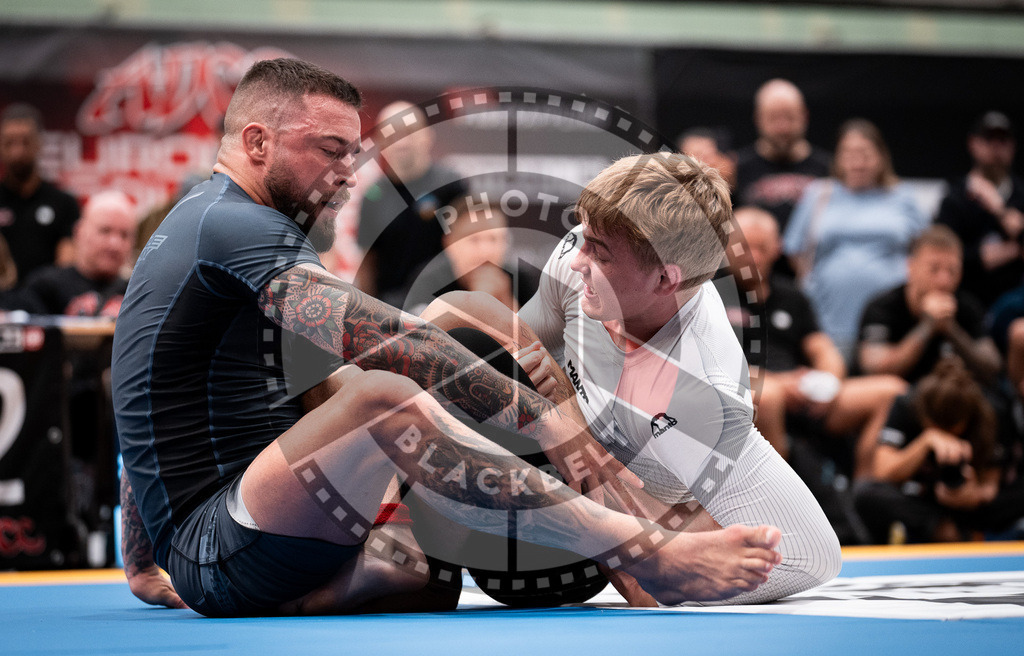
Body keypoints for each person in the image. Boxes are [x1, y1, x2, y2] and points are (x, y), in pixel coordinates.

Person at [112, 58, 783, 617]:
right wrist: (551, 422)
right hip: (225, 548)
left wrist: (141, 559)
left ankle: (357, 577)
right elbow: (384, 341)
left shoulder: (208, 221)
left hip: (248, 529)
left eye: (353, 153)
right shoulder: (238, 226)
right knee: (385, 394)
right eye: (330, 151)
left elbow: (145, 379)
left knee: (422, 561)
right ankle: (643, 549)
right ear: (257, 143)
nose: (349, 173)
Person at [421, 153, 842, 605]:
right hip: (544, 473)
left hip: (583, 537)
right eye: (583, 236)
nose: (577, 259)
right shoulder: (580, 253)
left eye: (598, 253)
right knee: (464, 348)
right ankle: (413, 552)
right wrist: (560, 406)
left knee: (536, 572)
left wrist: (664, 568)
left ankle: (425, 566)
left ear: (664, 280)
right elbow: (488, 331)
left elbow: (813, 557)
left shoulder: (702, 389)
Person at [730, 206, 905, 468]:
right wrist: (779, 383)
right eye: (745, 248)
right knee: (769, 396)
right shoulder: (712, 294)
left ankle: (867, 485)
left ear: (778, 248)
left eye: (762, 248)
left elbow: (822, 349)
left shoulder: (792, 296)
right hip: (744, 390)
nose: (754, 257)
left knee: (892, 392)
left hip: (800, 392)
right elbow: (709, 362)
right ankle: (779, 489)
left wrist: (828, 384)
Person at [783, 118, 928, 360]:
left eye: (865, 154)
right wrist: (822, 280)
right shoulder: (818, 194)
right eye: (849, 154)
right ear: (838, 158)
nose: (857, 162)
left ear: (881, 156)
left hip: (890, 323)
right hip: (828, 318)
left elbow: (924, 250)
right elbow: (794, 250)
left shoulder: (903, 196)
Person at [854, 358, 1003, 544]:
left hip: (969, 506)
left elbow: (992, 484)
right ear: (923, 414)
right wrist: (926, 441)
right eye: (936, 426)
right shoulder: (908, 404)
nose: (944, 433)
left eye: (951, 429)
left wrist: (974, 495)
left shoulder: (988, 414)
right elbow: (882, 472)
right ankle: (944, 531)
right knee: (865, 492)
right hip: (921, 505)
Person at [354, 101, 467, 308]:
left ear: (427, 136)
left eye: (409, 132)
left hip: (445, 308)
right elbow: (367, 264)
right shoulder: (372, 196)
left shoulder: (451, 186)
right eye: (391, 135)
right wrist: (367, 313)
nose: (401, 143)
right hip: (390, 311)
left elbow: (472, 249)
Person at [857, 225, 1001, 387]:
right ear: (911, 267)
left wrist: (951, 329)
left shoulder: (967, 306)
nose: (944, 280)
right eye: (934, 269)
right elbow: (874, 370)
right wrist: (927, 326)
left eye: (952, 270)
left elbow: (992, 369)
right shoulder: (882, 308)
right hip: (902, 396)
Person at [935, 111, 1024, 309]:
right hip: (965, 302)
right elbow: (942, 252)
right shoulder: (955, 197)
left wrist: (999, 210)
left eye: (1003, 140)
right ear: (973, 143)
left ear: (1013, 146)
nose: (996, 147)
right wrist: (980, 256)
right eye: (989, 139)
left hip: (1017, 302)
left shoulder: (1020, 193)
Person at [3, 190, 136, 316]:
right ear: (79, 232)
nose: (115, 244)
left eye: (124, 235)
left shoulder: (137, 293)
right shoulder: (43, 288)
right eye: (105, 231)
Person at [402, 195, 539, 315]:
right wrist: (475, 304)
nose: (485, 251)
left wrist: (507, 302)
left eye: (493, 239)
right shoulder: (427, 282)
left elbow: (537, 335)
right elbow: (418, 333)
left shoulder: (521, 281)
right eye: (474, 239)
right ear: (450, 244)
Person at [732, 79, 830, 235]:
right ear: (758, 118)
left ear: (804, 116)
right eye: (773, 118)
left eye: (790, 117)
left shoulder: (829, 168)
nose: (783, 127)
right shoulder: (735, 168)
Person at [0, 103, 79, 284]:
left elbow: (66, 269)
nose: (17, 151)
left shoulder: (63, 203)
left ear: (39, 143)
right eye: (9, 143)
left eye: (25, 142)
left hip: (46, 298)